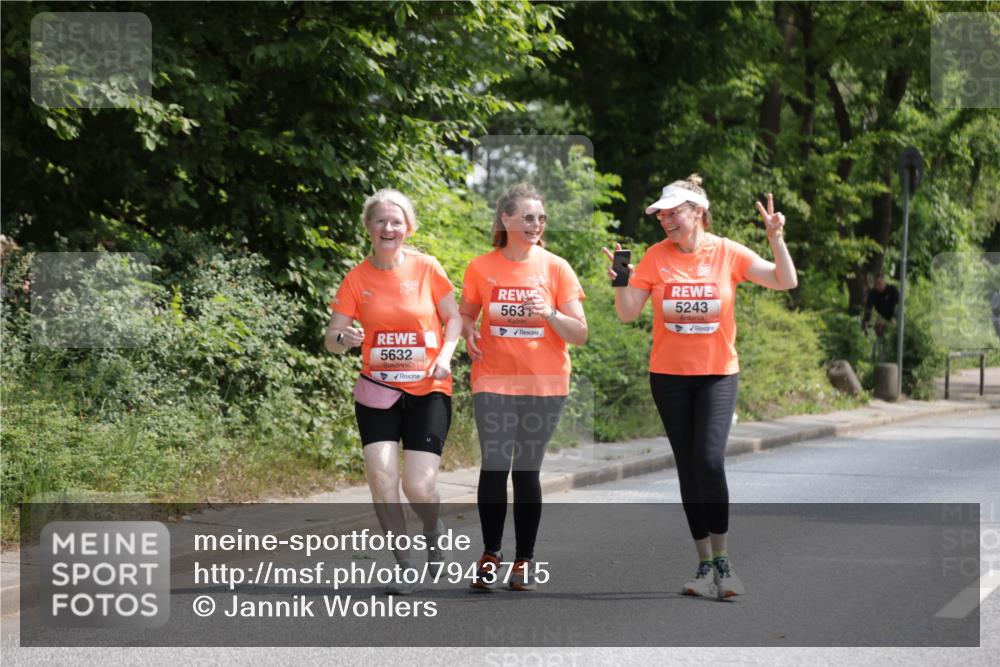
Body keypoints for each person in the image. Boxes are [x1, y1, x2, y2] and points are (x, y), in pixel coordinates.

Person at [602, 174, 797, 599]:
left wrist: (775, 238)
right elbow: (628, 313)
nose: (666, 220)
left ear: (698, 213)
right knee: (688, 468)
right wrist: (621, 279)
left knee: (709, 461)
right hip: (669, 378)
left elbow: (785, 280)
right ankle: (703, 563)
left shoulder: (726, 252)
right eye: (662, 215)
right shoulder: (655, 257)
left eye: (675, 213)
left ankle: (724, 561)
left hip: (717, 374)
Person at [326, 189, 462, 594]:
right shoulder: (356, 278)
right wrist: (343, 338)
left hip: (429, 387)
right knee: (381, 477)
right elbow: (331, 337)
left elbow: (453, 318)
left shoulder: (427, 268)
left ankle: (434, 529)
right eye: (381, 221)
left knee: (417, 485)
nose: (389, 228)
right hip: (377, 390)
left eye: (396, 221)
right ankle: (404, 562)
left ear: (409, 228)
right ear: (369, 227)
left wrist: (447, 355)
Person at [460, 184, 587, 591]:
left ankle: (524, 560)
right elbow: (465, 315)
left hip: (544, 384)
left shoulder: (556, 268)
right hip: (492, 379)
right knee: (495, 465)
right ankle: (491, 552)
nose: (537, 224)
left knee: (526, 470)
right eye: (529, 217)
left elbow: (580, 333)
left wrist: (549, 312)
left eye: (541, 218)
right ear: (505, 220)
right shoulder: (480, 267)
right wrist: (467, 334)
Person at [862, 274, 899, 338]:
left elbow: (897, 305)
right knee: (878, 325)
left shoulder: (892, 290)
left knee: (894, 326)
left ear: (884, 282)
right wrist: (866, 321)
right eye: (875, 284)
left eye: (879, 284)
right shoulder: (873, 293)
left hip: (893, 315)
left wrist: (893, 317)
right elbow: (868, 307)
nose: (877, 287)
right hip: (880, 315)